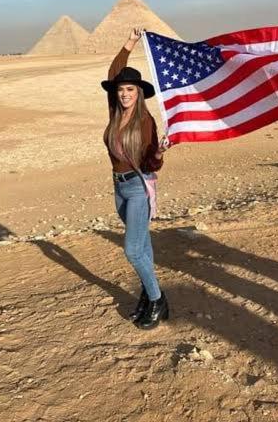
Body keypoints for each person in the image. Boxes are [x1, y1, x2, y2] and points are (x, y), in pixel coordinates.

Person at [101, 27, 171, 330]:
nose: (125, 94)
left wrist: (159, 151)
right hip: (118, 187)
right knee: (142, 245)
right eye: (121, 89)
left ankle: (157, 300)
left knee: (132, 250)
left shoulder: (145, 121)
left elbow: (150, 163)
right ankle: (148, 292)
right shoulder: (115, 112)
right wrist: (130, 42)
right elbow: (114, 72)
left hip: (138, 188)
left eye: (130, 89)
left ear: (139, 92)